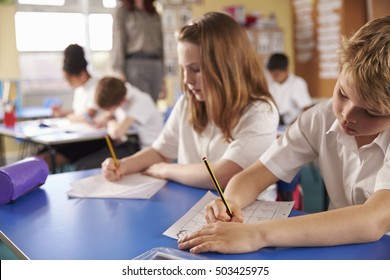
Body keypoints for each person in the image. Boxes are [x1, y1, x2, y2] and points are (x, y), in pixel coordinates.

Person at [177, 15, 390, 254]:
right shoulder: (320, 118)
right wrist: (230, 202)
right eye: (343, 93)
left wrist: (257, 234)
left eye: (371, 113)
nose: (347, 115)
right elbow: (254, 176)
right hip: (333, 247)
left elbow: (373, 221)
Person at [101, 12, 279, 199]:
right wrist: (122, 165)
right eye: (183, 68)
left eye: (196, 69)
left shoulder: (260, 112)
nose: (187, 80)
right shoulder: (188, 102)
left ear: (227, 66)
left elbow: (223, 175)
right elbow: (161, 151)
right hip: (193, 206)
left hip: (246, 214)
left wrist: (166, 170)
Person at [37, 44, 108, 171]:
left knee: (45, 159)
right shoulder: (80, 88)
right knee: (39, 154)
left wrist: (69, 117)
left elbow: (87, 116)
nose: (69, 84)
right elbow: (78, 112)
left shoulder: (98, 86)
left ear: (82, 74)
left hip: (93, 139)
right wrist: (62, 113)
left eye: (70, 80)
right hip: (76, 135)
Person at [73, 76, 164, 170]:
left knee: (84, 166)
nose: (106, 111)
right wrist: (107, 117)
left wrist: (110, 121)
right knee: (80, 157)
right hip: (129, 143)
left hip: (146, 150)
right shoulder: (119, 92)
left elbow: (117, 133)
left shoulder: (140, 101)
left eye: (108, 108)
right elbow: (111, 115)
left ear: (122, 101)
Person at [111, 0, 164, 103]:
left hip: (155, 64)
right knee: (143, 104)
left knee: (153, 106)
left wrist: (163, 76)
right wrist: (119, 71)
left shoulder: (154, 13)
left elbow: (161, 43)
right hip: (135, 64)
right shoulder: (123, 12)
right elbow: (118, 41)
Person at [266, 53, 312, 125]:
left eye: (277, 74)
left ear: (286, 70)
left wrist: (294, 124)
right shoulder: (270, 84)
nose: (275, 77)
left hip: (294, 123)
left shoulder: (297, 83)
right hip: (275, 122)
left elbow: (307, 109)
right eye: (272, 74)